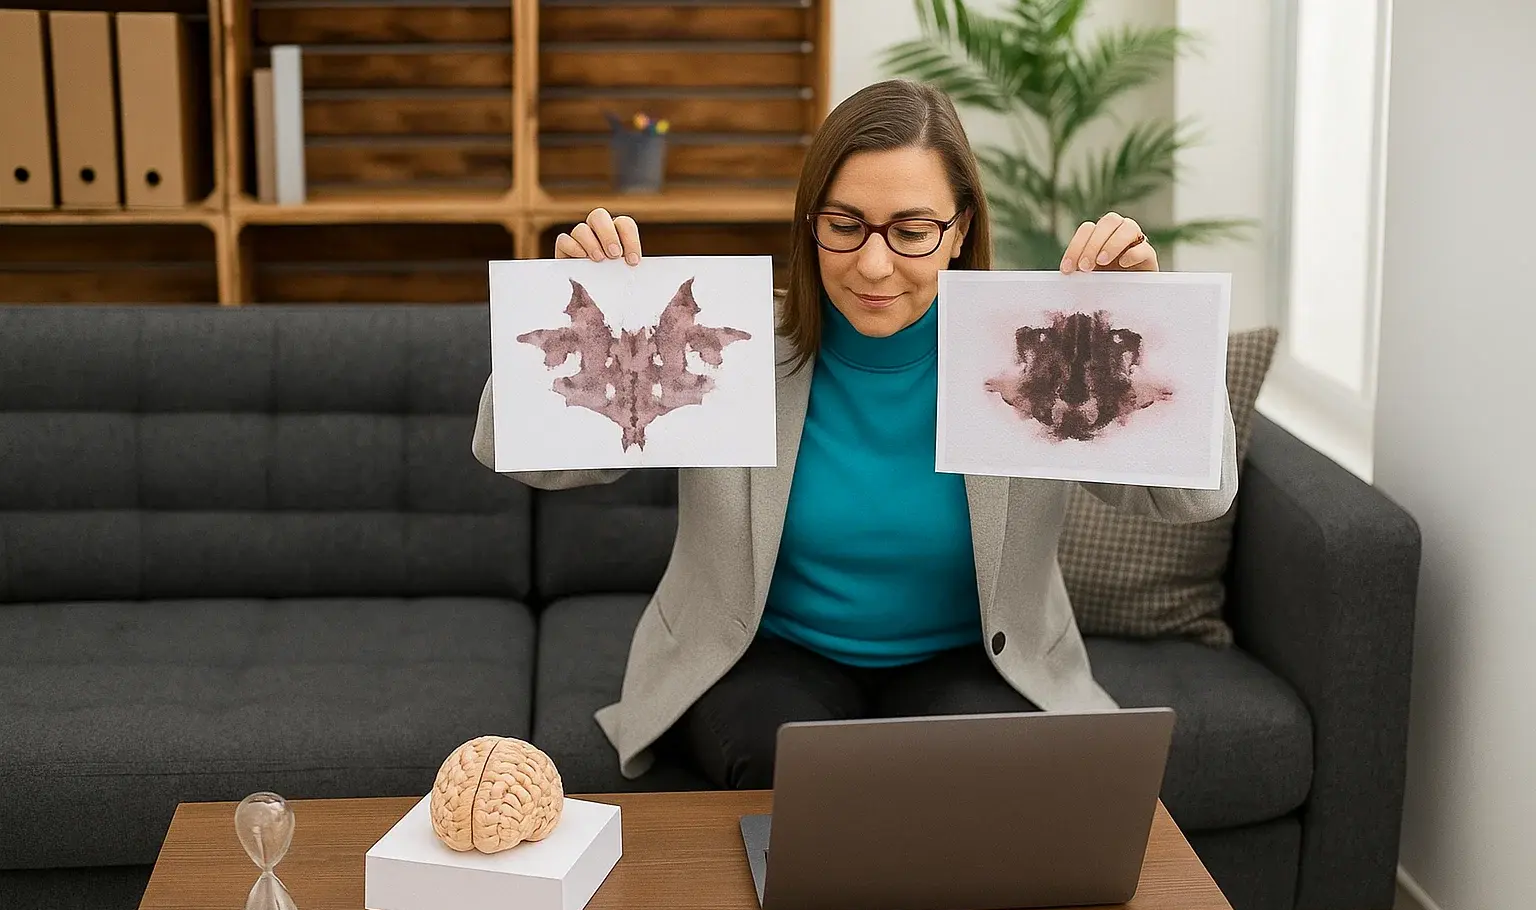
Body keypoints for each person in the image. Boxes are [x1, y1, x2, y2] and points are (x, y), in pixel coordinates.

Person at [473, 78, 1238, 789]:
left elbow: (1192, 502)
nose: (873, 265)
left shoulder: (1033, 354)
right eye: (844, 226)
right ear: (811, 227)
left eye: (912, 231)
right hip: (767, 653)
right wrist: (576, 312)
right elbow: (520, 457)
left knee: (974, 777)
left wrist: (1152, 327)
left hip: (971, 659)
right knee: (785, 759)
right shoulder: (732, 345)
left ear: (960, 231)